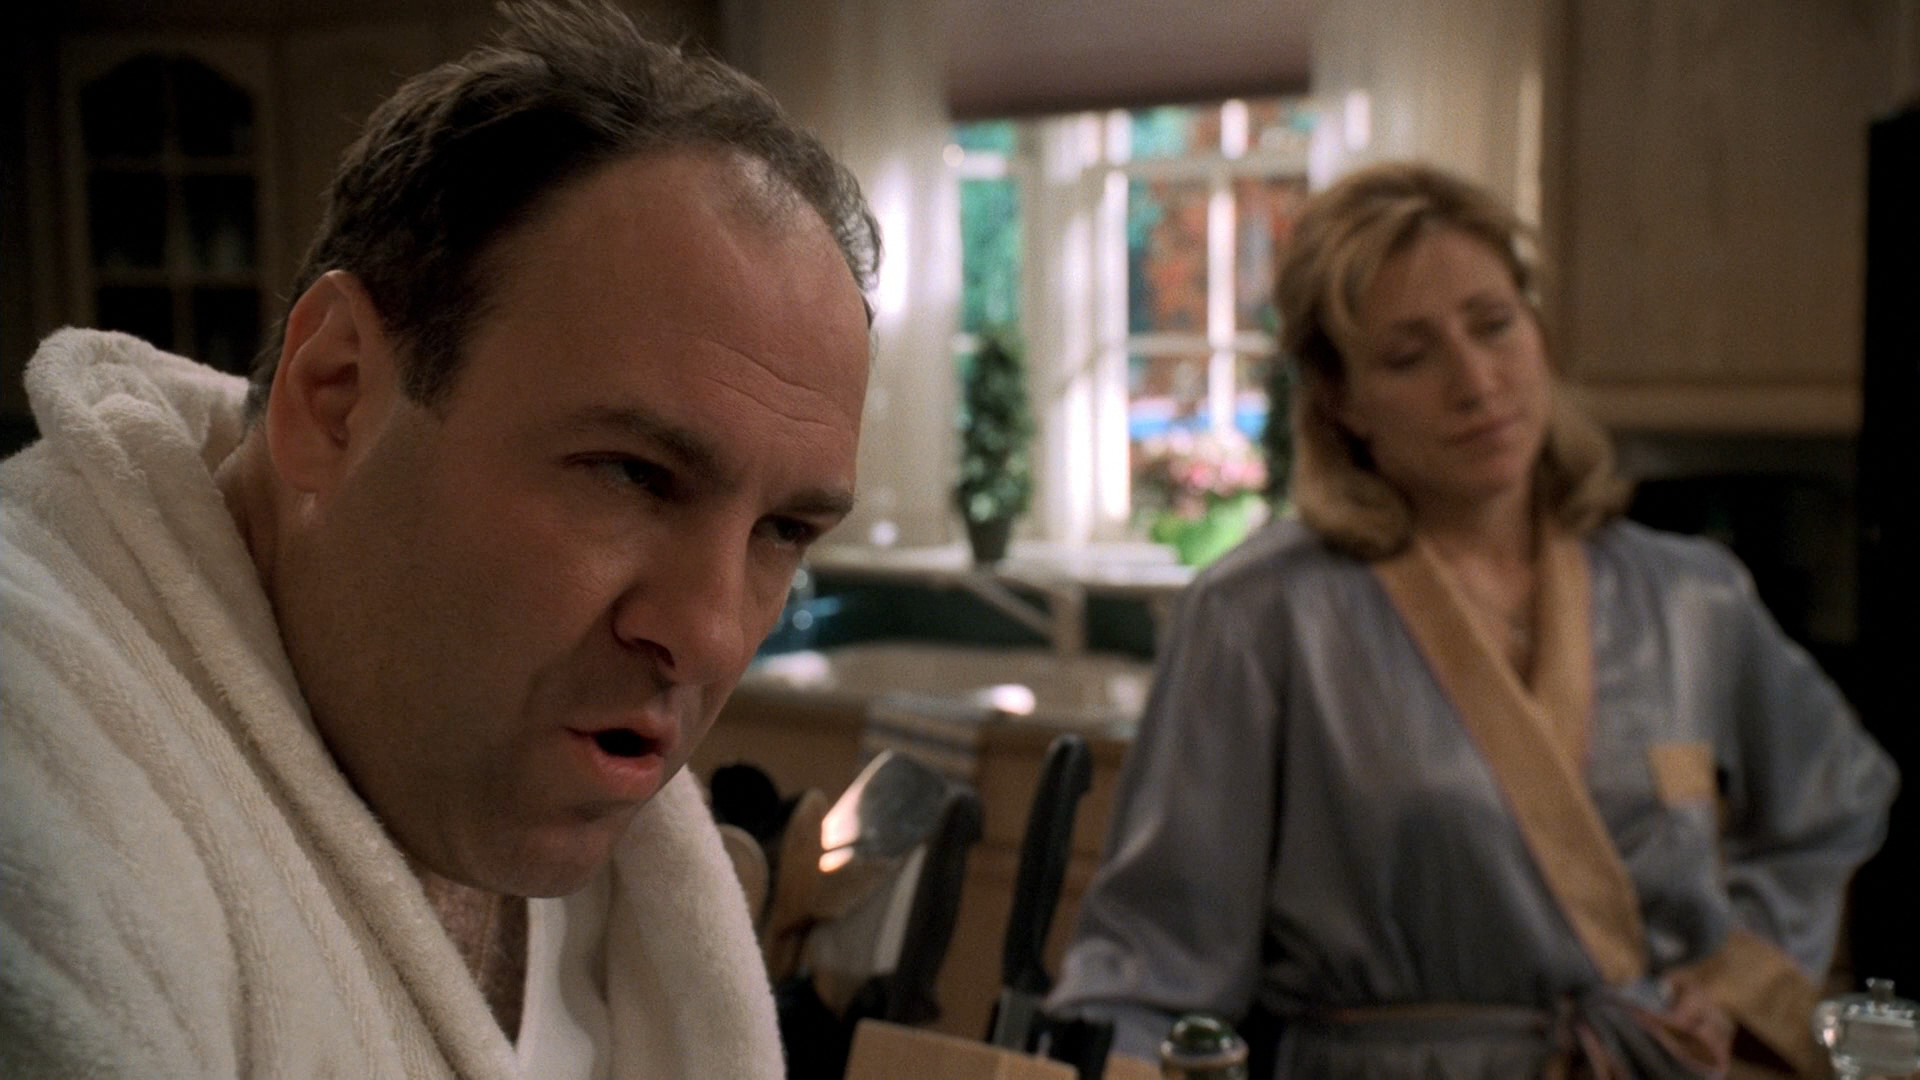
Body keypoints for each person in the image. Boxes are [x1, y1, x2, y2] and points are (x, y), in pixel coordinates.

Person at [0, 3, 877, 1076]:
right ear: (336, 394)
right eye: (631, 474)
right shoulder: (39, 762)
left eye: (784, 529)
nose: (711, 636)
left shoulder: (554, 804)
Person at [1046, 162, 1898, 1078]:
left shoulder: (1690, 596)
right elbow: (1153, 963)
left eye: (1494, 325)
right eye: (1409, 356)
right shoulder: (1261, 617)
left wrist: (1739, 980)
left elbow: (1838, 793)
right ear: (1340, 398)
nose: (1476, 381)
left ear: (1537, 330)